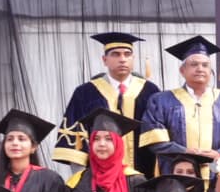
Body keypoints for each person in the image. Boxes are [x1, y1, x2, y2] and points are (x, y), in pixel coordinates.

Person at [55, 32, 161, 172]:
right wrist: (80, 176)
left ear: (133, 58)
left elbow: (158, 135)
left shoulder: (150, 91)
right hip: (99, 175)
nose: (122, 59)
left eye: (127, 54)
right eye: (115, 54)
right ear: (105, 60)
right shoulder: (85, 92)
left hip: (143, 173)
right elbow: (76, 138)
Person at [142, 36, 220, 168]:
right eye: (194, 64)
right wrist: (185, 153)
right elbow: (154, 140)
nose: (200, 69)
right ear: (182, 71)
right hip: (177, 172)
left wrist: (219, 154)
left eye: (205, 65)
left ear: (211, 71)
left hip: (219, 171)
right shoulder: (160, 101)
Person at [0, 110, 69, 192]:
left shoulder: (50, 180)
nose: (15, 143)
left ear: (33, 147)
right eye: (9, 139)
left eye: (21, 139)